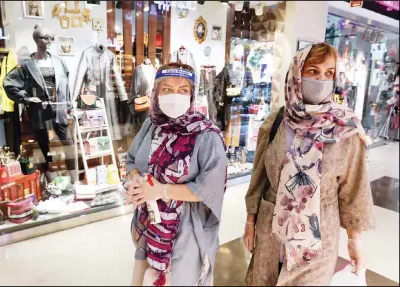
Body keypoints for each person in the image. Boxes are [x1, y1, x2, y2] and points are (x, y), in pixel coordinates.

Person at [243, 43, 374, 286]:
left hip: (318, 237)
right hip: (270, 232)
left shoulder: (346, 129)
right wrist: (250, 222)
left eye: (329, 73)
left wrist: (355, 242)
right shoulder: (277, 122)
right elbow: (259, 178)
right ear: (297, 73)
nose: (321, 80)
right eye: (313, 71)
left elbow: (353, 190)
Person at [125, 63, 227, 286]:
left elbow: (210, 188)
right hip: (149, 228)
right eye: (167, 89)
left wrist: (162, 190)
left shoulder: (206, 135)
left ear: (191, 95)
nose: (174, 96)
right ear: (156, 92)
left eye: (182, 90)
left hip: (186, 232)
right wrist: (135, 180)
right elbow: (132, 160)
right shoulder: (152, 126)